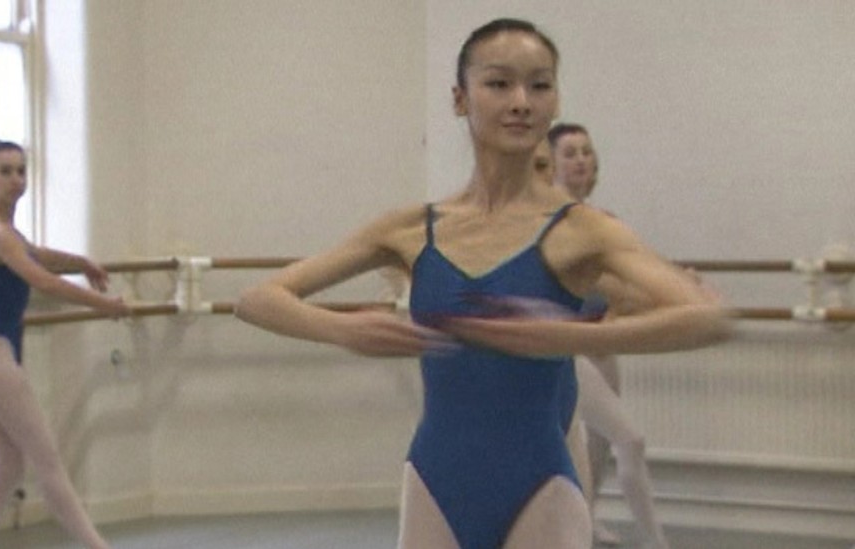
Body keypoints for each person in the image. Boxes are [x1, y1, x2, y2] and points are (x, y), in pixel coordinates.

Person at [236, 18, 729, 549]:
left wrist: (572, 336)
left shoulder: (583, 230)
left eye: (539, 85)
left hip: (540, 482)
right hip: (434, 478)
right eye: (499, 83)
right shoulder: (409, 229)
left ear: (555, 100)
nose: (521, 102)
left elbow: (707, 317)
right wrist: (343, 330)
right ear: (460, 98)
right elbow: (257, 300)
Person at [0, 139, 130, 549]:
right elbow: (43, 280)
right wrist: (104, 305)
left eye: (21, 170)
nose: (16, 179)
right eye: (6, 171)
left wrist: (82, 263)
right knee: (48, 461)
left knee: (8, 467)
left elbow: (41, 256)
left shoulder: (8, 233)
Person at [548, 123, 670, 548]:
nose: (581, 160)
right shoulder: (554, 226)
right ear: (549, 165)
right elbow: (608, 283)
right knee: (630, 439)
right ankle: (656, 541)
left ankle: (587, 518)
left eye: (586, 151)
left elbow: (636, 272)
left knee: (597, 444)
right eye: (570, 153)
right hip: (569, 350)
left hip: (601, 346)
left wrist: (673, 282)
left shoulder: (603, 222)